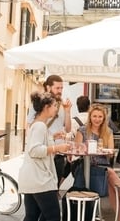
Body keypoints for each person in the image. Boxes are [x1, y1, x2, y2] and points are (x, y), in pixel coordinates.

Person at [19, 91, 71, 221]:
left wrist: (52, 137)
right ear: (46, 107)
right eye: (54, 106)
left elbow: (36, 144)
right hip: (40, 180)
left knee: (32, 216)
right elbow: (34, 150)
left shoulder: (37, 125)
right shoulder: (40, 126)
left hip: (33, 178)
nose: (56, 109)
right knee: (53, 217)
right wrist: (57, 148)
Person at [74, 103, 120, 219]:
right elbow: (77, 150)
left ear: (104, 118)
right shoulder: (82, 130)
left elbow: (111, 152)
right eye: (94, 116)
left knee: (112, 189)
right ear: (90, 117)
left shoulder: (107, 131)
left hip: (102, 164)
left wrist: (102, 149)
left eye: (100, 117)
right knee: (111, 175)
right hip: (87, 165)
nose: (97, 119)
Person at [27, 75, 72, 186]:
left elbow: (68, 129)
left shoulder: (62, 105)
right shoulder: (37, 104)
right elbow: (30, 126)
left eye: (61, 88)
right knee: (43, 186)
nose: (60, 91)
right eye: (57, 88)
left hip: (59, 152)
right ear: (48, 87)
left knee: (54, 187)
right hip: (43, 152)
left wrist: (67, 111)